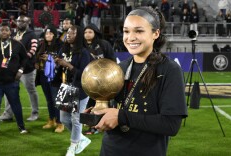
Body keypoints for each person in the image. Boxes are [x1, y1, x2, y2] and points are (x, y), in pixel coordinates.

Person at [92, 6, 187, 156]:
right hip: (110, 150)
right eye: (126, 31)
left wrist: (120, 116)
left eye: (139, 31)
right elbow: (117, 107)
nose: (130, 37)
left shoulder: (169, 70)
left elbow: (171, 125)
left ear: (156, 33)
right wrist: (98, 111)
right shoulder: (120, 68)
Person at [0, 22, 28, 135]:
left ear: (10, 32)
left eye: (6, 30)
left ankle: (21, 126)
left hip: (11, 82)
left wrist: (21, 70)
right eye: (1, 30)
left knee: (15, 104)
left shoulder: (17, 44)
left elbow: (25, 58)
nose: (3, 32)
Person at [55, 25, 91, 156]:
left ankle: (73, 146)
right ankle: (81, 138)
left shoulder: (84, 53)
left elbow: (84, 74)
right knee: (64, 119)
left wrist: (68, 65)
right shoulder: (63, 49)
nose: (68, 35)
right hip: (66, 87)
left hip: (80, 89)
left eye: (72, 33)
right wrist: (54, 62)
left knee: (76, 119)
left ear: (79, 36)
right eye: (67, 33)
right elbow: (60, 67)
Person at [0, 15, 39, 121]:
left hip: (27, 69)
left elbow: (33, 50)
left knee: (31, 90)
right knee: (9, 90)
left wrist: (22, 60)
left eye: (23, 21)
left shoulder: (32, 35)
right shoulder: (14, 34)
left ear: (28, 22)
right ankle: (8, 114)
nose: (20, 23)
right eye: (18, 21)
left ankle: (35, 113)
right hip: (14, 69)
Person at [83, 23, 116, 135]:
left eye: (90, 32)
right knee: (89, 104)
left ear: (95, 33)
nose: (87, 34)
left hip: (104, 79)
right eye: (85, 32)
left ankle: (98, 126)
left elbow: (112, 60)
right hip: (88, 79)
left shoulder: (104, 44)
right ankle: (92, 125)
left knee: (101, 103)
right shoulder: (82, 46)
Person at [36, 24, 64, 133]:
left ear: (55, 35)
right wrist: (37, 63)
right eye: (47, 33)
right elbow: (36, 58)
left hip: (55, 76)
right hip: (43, 75)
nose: (48, 35)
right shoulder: (42, 45)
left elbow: (62, 59)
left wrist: (50, 58)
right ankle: (51, 119)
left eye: (50, 33)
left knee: (55, 100)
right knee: (48, 99)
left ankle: (60, 122)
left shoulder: (60, 45)